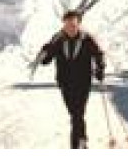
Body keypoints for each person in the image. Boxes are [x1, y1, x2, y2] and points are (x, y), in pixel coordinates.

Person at [37, 10, 106, 149]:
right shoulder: (58, 40)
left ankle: (75, 146)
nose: (70, 28)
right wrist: (45, 50)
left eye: (73, 25)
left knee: (77, 113)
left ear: (78, 24)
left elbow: (99, 54)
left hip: (83, 82)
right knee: (75, 114)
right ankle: (82, 138)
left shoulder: (87, 39)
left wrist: (100, 69)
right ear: (63, 25)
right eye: (67, 25)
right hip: (65, 82)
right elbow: (46, 60)